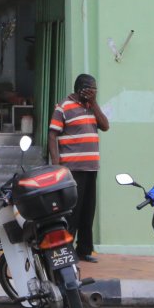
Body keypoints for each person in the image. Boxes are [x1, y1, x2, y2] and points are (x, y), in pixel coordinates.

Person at [47, 73, 110, 263]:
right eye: (91, 89)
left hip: (91, 168)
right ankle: (66, 250)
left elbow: (105, 126)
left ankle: (84, 250)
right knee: (72, 212)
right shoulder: (64, 106)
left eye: (95, 89)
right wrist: (57, 163)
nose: (93, 92)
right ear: (80, 89)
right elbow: (52, 135)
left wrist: (95, 102)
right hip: (72, 169)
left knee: (87, 211)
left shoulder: (92, 107)